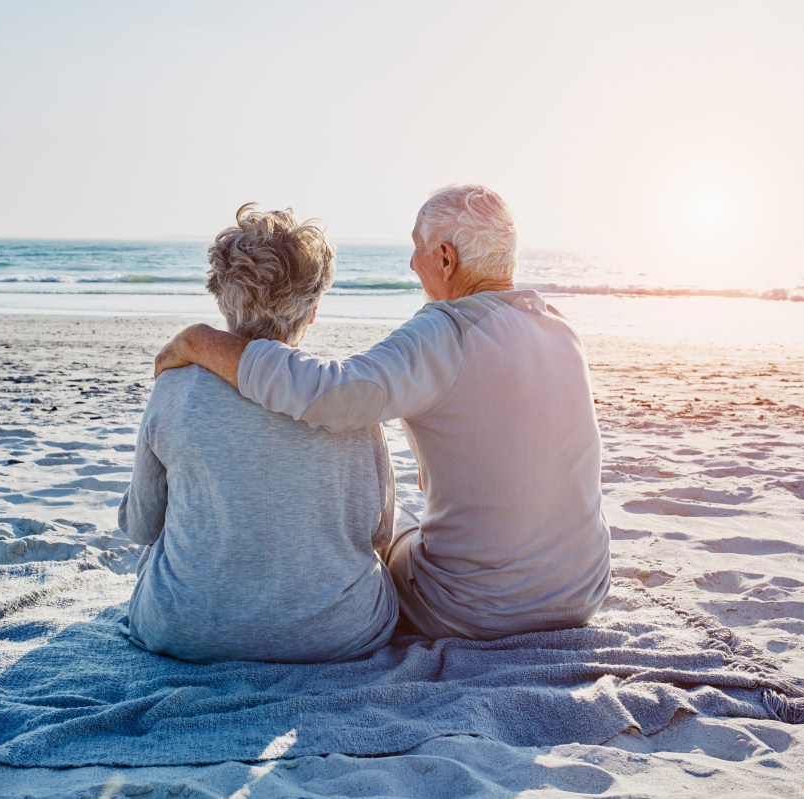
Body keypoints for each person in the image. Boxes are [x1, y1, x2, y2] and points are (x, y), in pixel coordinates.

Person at [154, 185, 610, 641]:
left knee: (392, 537)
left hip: (477, 610)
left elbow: (332, 397)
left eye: (418, 249)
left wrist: (200, 341)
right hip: (581, 595)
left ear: (446, 259)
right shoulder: (561, 330)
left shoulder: (445, 332)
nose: (413, 264)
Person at [119, 204, 398, 663]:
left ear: (221, 300)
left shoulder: (174, 387)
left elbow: (141, 525)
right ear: (312, 311)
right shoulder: (346, 395)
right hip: (339, 634)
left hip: (184, 630)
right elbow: (379, 531)